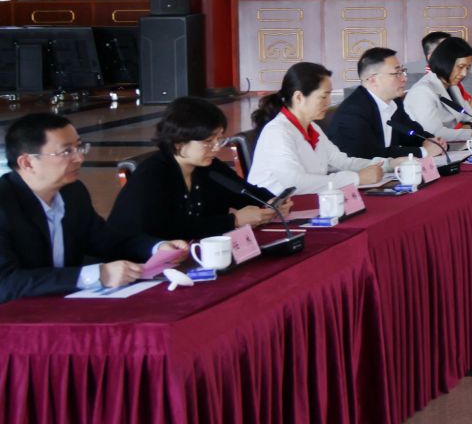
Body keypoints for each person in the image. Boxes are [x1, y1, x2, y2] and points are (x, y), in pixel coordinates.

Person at [1, 113, 183, 301]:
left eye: (79, 147)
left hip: (61, 305)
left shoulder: (72, 192)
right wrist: (96, 275)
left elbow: (106, 241)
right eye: (66, 152)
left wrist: (156, 248)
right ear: (27, 162)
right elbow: (5, 283)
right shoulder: (4, 204)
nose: (79, 158)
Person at [107, 97, 280, 247]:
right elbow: (165, 229)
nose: (216, 148)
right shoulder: (152, 175)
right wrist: (233, 221)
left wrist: (271, 202)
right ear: (178, 142)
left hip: (200, 255)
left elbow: (243, 192)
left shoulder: (210, 167)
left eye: (219, 139)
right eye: (208, 142)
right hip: (146, 263)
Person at [247, 62, 386, 195]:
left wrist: (387, 164)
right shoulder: (277, 132)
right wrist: (356, 178)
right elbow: (294, 183)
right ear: (299, 97)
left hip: (306, 201)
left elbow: (342, 162)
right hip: (273, 207)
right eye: (323, 96)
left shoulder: (312, 127)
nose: (329, 102)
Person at [327, 48, 443, 161]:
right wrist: (423, 152)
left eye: (403, 71)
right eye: (397, 73)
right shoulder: (352, 112)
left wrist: (431, 141)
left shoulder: (394, 102)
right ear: (373, 80)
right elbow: (368, 155)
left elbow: (411, 133)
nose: (404, 78)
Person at [406, 36, 472, 143]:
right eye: (460, 67)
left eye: (467, 68)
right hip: (423, 149)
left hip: (450, 146)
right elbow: (435, 134)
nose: (464, 73)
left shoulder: (453, 86)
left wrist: (467, 129)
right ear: (445, 62)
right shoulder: (422, 92)